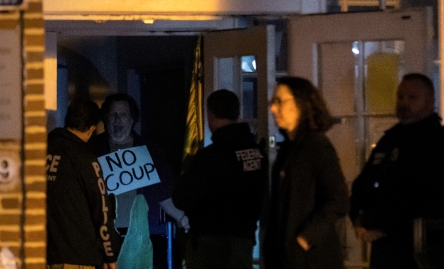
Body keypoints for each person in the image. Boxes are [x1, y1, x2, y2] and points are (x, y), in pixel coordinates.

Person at [349, 73, 444, 269]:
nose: (404, 103)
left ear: (430, 102)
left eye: (412, 98)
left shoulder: (437, 142)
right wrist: (358, 218)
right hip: (384, 250)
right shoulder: (390, 139)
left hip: (420, 252)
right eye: (400, 97)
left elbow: (427, 196)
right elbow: (364, 182)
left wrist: (383, 225)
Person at [88, 93, 188, 268]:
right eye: (113, 114)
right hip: (102, 240)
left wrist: (183, 218)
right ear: (105, 118)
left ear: (132, 119)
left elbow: (163, 193)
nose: (117, 119)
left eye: (123, 114)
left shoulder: (149, 151)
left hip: (141, 237)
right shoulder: (91, 151)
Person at [172, 89, 267, 269]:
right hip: (244, 240)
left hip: (210, 245)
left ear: (211, 114)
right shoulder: (257, 153)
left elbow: (182, 198)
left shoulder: (211, 156)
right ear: (237, 113)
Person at [263, 76, 348, 269]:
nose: (273, 109)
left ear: (301, 104)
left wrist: (305, 238)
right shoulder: (288, 151)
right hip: (288, 259)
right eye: (272, 102)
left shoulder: (316, 146)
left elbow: (339, 199)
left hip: (312, 260)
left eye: (279, 101)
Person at [46, 98, 121, 269]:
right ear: (92, 127)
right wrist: (110, 255)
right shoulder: (85, 159)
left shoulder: (40, 152)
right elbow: (101, 209)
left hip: (44, 256)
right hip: (78, 257)